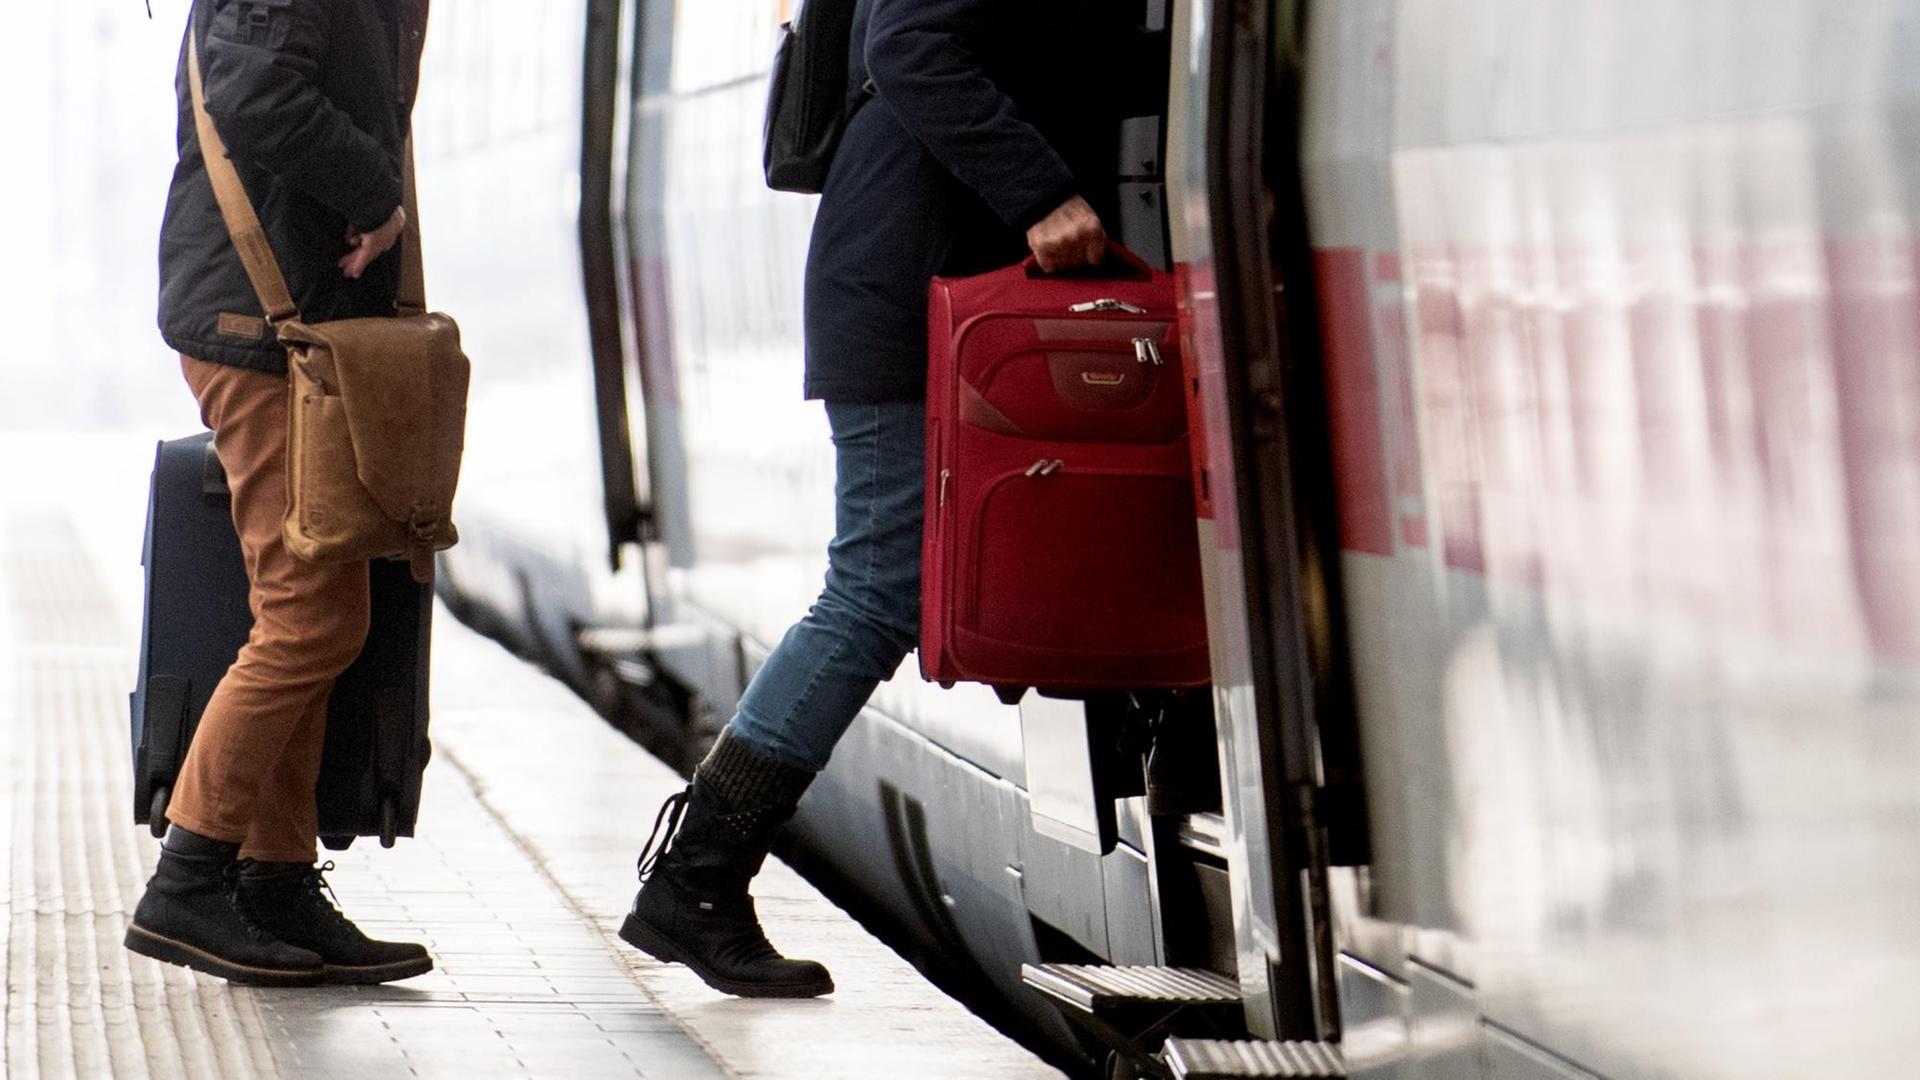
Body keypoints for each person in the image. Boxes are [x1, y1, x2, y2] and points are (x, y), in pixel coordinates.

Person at [618, 0, 1121, 997]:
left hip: (931, 286)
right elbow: (909, 46)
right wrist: (1043, 192)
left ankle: (698, 880)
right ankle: (698, 877)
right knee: (875, 589)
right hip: (907, 290)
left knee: (880, 585)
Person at [124, 0, 434, 987]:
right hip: (258, 317)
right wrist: (375, 190)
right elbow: (256, 89)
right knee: (310, 615)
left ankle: (277, 882)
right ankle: (191, 876)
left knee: (314, 603)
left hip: (284, 314)